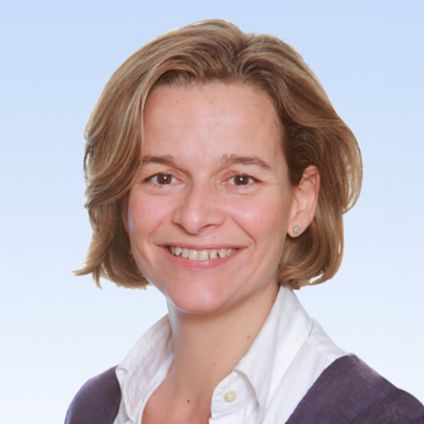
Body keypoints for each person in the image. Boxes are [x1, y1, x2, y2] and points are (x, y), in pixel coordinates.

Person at [65, 19, 424, 424]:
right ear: (121, 198)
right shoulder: (96, 408)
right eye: (162, 178)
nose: (195, 217)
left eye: (240, 179)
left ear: (301, 201)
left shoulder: (378, 417)